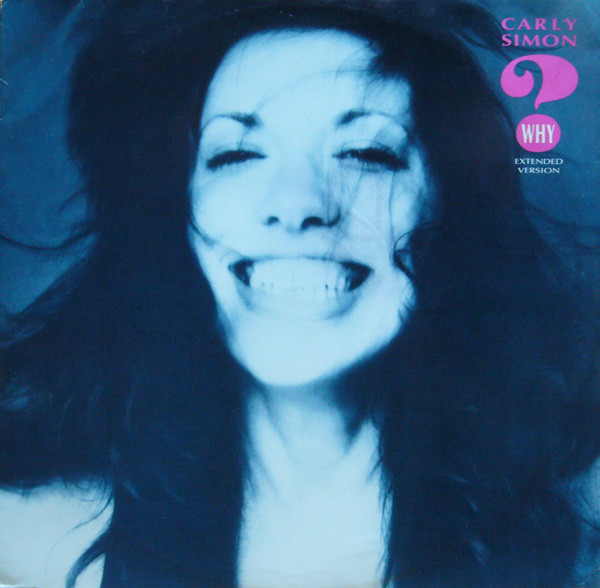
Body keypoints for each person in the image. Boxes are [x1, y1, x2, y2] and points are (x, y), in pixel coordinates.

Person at [1, 1, 599, 586]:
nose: (297, 205)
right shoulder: (32, 539)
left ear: (451, 206)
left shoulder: (578, 541)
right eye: (237, 154)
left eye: (366, 153)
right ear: (178, 209)